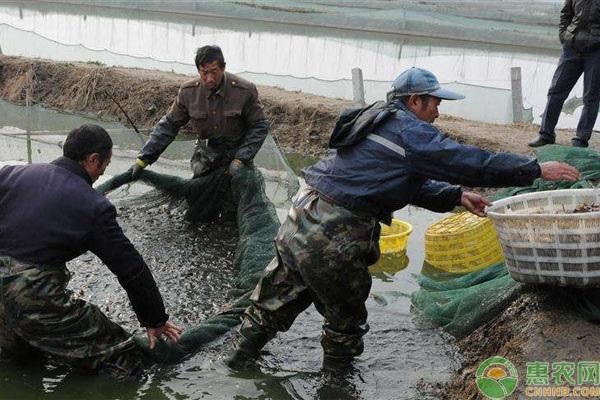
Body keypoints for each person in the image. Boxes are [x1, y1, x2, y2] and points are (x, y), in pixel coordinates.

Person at [227, 67, 580, 370]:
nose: (438, 112)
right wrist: (533, 168)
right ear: (415, 101)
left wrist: (454, 195)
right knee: (345, 323)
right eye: (435, 103)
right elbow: (466, 160)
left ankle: (233, 366)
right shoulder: (409, 131)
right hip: (335, 230)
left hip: (301, 216)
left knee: (271, 304)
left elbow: (388, 179)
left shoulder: (373, 121)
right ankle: (336, 386)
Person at [0, 124, 181, 378]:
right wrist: (155, 320)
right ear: (93, 160)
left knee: (19, 362)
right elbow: (130, 268)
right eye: (104, 167)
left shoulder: (11, 174)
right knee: (122, 355)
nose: (100, 176)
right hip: (30, 296)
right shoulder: (93, 206)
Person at [131, 45, 269, 178]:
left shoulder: (244, 90)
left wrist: (241, 158)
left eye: (214, 72)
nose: (209, 79)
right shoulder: (188, 92)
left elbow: (260, 126)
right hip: (205, 156)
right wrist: (143, 159)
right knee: (199, 195)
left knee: (239, 194)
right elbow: (169, 125)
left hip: (236, 154)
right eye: (204, 73)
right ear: (198, 71)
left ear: (223, 67)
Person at [529, 0, 600, 148]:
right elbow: (566, 13)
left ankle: (581, 139)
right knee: (555, 90)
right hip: (572, 47)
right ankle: (546, 134)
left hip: (596, 52)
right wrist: (564, 36)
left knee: (591, 96)